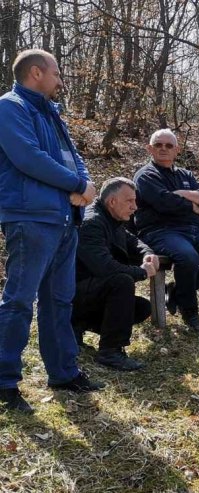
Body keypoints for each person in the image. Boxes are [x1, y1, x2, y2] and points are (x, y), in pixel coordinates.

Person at [0, 49, 104, 413]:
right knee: (18, 300)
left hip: (64, 218)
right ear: (35, 73)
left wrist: (85, 184)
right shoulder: (9, 107)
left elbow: (72, 155)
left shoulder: (52, 112)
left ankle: (63, 372)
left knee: (60, 300)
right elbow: (28, 157)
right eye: (56, 73)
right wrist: (76, 183)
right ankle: (5, 382)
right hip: (30, 217)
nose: (61, 80)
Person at [133, 129, 199, 333]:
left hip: (194, 230)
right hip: (160, 231)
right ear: (150, 148)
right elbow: (163, 203)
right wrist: (191, 204)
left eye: (169, 145)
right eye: (158, 145)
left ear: (177, 150)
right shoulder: (145, 175)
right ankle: (190, 313)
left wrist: (182, 194)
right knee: (188, 256)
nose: (163, 148)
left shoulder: (185, 174)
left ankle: (177, 291)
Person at [73, 178, 159, 371]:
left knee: (141, 308)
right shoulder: (93, 223)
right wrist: (142, 272)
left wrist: (148, 254)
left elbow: (133, 241)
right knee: (121, 281)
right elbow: (105, 268)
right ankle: (110, 352)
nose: (134, 207)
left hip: (91, 291)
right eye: (130, 201)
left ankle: (76, 327)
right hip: (72, 295)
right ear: (112, 202)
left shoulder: (112, 218)